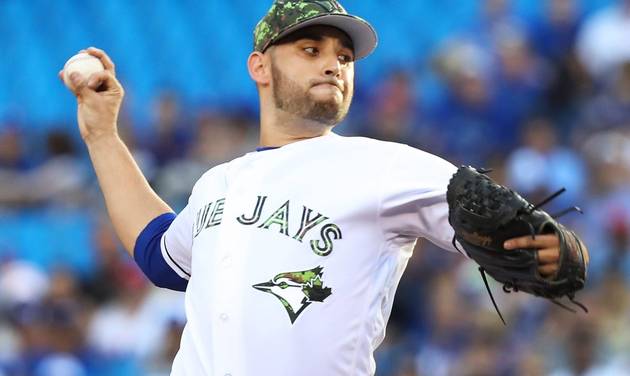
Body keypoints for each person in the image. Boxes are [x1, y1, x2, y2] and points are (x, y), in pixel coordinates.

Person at [60, 1, 587, 374]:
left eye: (344, 56)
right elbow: (158, 255)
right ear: (259, 67)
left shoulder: (381, 166)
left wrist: (557, 250)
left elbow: (523, 235)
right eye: (310, 49)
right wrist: (103, 135)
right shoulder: (217, 182)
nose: (334, 63)